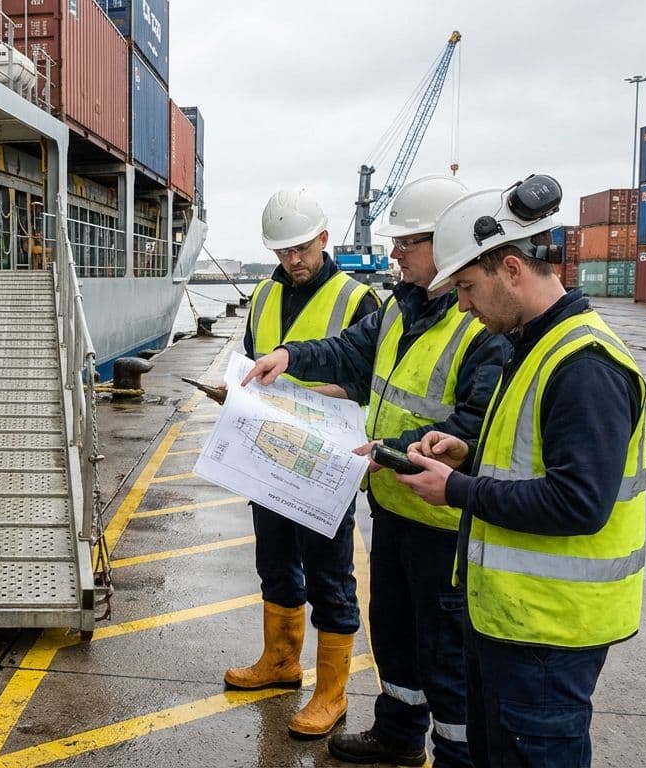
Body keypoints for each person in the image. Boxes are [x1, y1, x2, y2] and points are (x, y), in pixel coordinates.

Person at [243, 176, 510, 767]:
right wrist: (290, 357)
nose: (392, 254)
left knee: (443, 653)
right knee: (394, 635)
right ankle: (398, 733)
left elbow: (474, 423)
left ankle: (457, 757)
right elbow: (346, 351)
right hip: (391, 504)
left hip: (441, 519)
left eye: (405, 244)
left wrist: (389, 447)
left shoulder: (480, 328)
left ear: (443, 246)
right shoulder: (398, 308)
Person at [396, 176, 646, 768]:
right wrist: (469, 455)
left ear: (511, 269)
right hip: (512, 623)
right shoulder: (532, 343)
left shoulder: (585, 365)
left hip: (550, 636)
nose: (461, 304)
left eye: (466, 286)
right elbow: (531, 460)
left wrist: (455, 489)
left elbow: (579, 504)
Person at [219, 189, 379, 740]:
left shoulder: (358, 300)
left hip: (324, 460)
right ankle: (281, 662)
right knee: (276, 562)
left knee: (331, 575)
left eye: (303, 248)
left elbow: (365, 382)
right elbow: (249, 357)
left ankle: (332, 693)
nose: (294, 260)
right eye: (284, 250)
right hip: (268, 458)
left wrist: (299, 399)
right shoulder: (263, 294)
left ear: (325, 239)